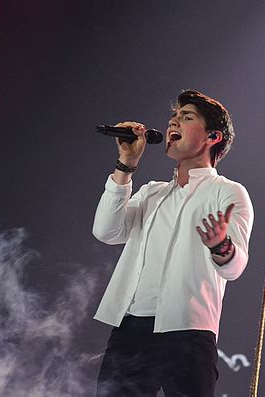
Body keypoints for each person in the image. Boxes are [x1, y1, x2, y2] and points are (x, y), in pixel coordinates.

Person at [92, 90, 254, 396]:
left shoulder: (228, 192)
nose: (173, 122)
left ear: (213, 136)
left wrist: (221, 245)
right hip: (132, 327)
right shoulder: (151, 193)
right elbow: (106, 231)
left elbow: (236, 267)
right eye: (173, 117)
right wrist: (126, 164)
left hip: (187, 332)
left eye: (186, 117)